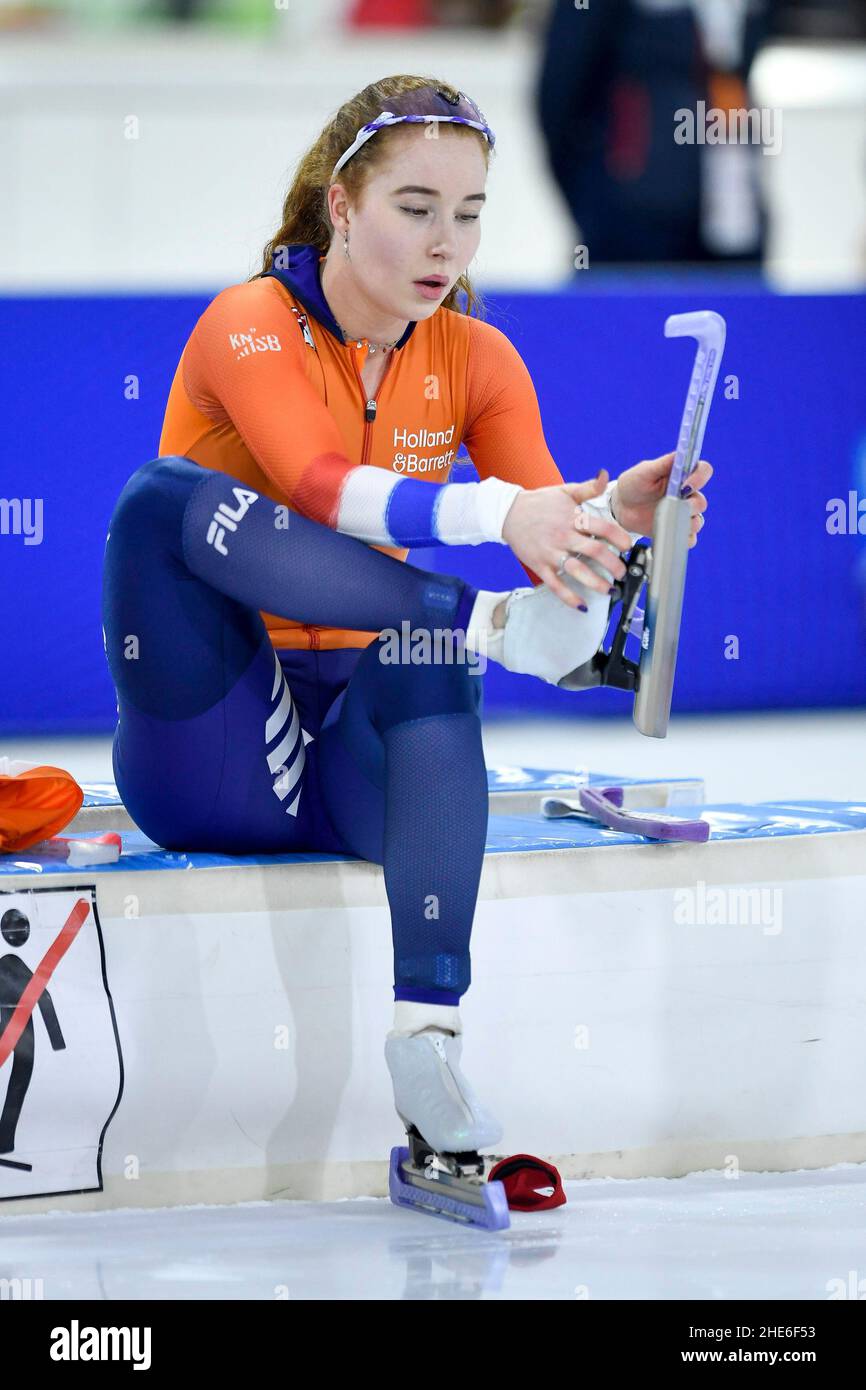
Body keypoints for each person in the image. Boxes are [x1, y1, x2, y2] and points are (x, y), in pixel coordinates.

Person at [102, 75, 711, 1165]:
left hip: (355, 774)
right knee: (155, 500)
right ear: (341, 206)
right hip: (219, 749)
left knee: (436, 652)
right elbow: (322, 485)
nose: (447, 244)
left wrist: (610, 531)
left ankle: (426, 1040)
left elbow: (557, 606)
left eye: (470, 213)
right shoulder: (250, 323)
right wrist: (494, 546)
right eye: (416, 208)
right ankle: (458, 622)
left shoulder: (478, 359)